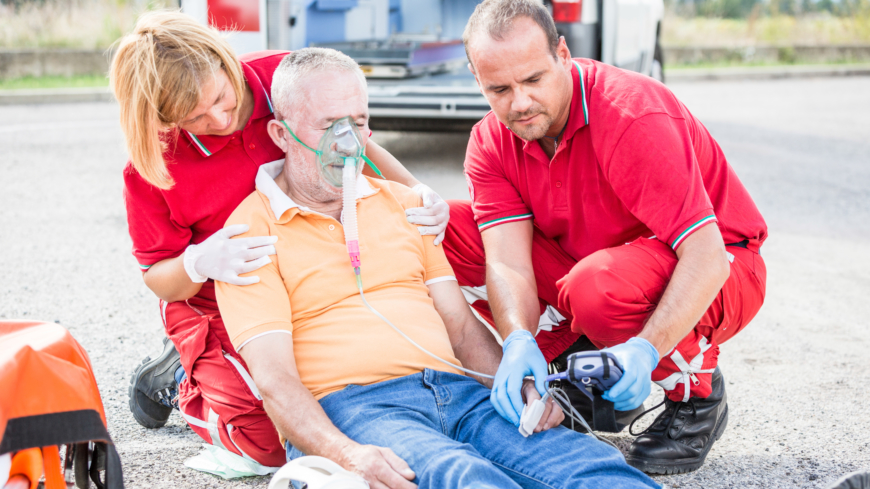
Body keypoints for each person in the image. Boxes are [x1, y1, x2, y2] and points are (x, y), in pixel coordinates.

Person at [215, 47, 660, 489]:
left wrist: (518, 387)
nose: (348, 142)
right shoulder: (248, 236)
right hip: (356, 410)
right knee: (465, 478)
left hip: (461, 395)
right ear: (280, 133)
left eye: (359, 122)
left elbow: (463, 331)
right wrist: (344, 453)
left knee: (587, 465)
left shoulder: (406, 207)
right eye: (329, 125)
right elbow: (275, 382)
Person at [110, 11, 451, 468]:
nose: (220, 118)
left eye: (220, 97)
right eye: (195, 117)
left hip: (309, 271)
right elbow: (159, 277)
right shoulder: (152, 165)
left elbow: (352, 143)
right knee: (275, 443)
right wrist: (198, 263)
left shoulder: (283, 75)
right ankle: (183, 383)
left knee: (328, 409)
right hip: (221, 296)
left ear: (224, 60)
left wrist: (416, 192)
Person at [443, 0, 768, 475]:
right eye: (499, 88)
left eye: (533, 80)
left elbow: (708, 255)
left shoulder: (630, 114)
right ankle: (582, 381)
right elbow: (506, 261)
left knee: (598, 287)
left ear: (563, 53)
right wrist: (517, 339)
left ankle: (696, 398)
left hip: (720, 266)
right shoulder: (491, 140)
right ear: (477, 79)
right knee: (449, 232)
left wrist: (647, 348)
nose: (519, 103)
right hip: (594, 265)